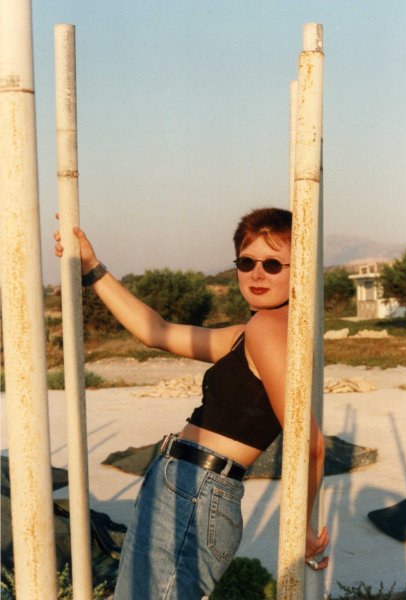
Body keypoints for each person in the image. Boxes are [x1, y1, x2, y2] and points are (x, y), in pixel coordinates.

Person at [54, 207, 329, 599]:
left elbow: (310, 443)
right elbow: (157, 332)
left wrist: (300, 526)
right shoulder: (252, 332)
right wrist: (92, 268)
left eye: (272, 264)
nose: (257, 274)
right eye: (247, 262)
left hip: (196, 491)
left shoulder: (269, 329)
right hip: (190, 488)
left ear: (299, 270)